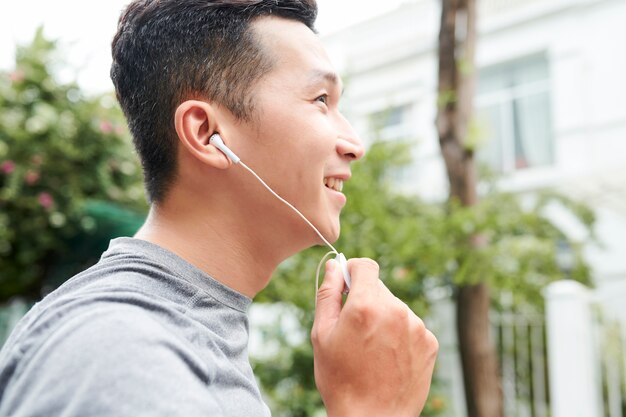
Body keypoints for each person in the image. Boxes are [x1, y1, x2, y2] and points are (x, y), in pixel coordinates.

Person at [0, 1, 438, 416]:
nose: (354, 144)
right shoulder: (121, 352)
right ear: (206, 132)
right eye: (321, 100)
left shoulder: (177, 337)